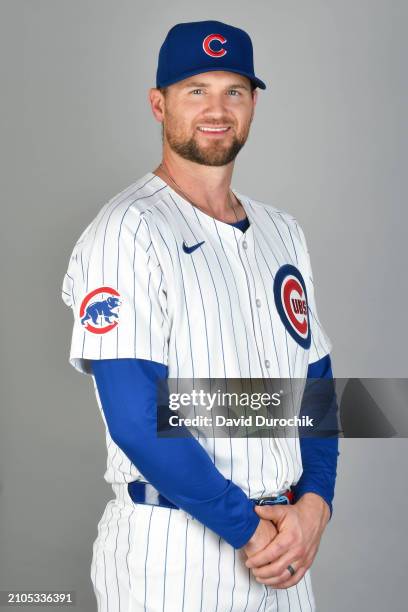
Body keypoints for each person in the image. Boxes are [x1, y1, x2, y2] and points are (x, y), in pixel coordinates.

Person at [62, 19, 339, 612]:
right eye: (195, 90)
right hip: (176, 552)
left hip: (287, 545)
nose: (217, 109)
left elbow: (314, 389)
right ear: (158, 104)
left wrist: (316, 505)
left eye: (233, 90)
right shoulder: (126, 232)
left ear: (253, 105)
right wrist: (251, 531)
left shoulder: (282, 232)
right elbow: (137, 419)